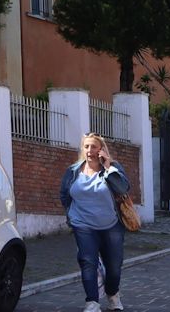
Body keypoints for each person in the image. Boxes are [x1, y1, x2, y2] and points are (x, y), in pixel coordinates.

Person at [59, 132, 130, 312]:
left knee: (114, 266)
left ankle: (113, 294)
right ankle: (92, 302)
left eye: (94, 147)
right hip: (83, 225)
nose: (90, 151)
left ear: (101, 149)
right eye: (86, 146)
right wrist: (72, 215)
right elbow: (64, 195)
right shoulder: (73, 171)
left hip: (111, 225)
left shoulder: (113, 168)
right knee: (87, 262)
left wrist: (108, 167)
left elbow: (123, 188)